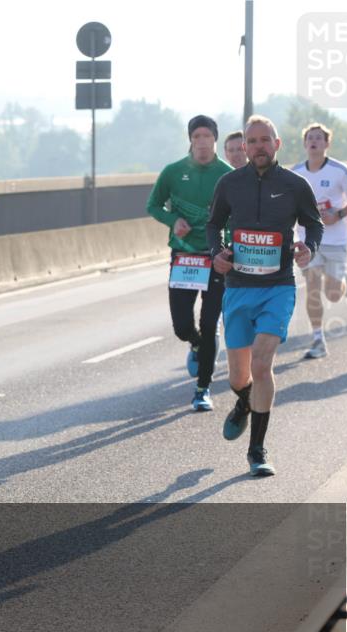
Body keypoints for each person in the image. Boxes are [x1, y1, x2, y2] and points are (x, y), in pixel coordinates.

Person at [207, 115, 323, 477]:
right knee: (239, 378)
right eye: (252, 141)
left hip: (278, 287)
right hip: (239, 288)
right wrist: (218, 254)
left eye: (264, 140)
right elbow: (213, 224)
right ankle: (245, 401)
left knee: (262, 364)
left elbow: (313, 222)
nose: (258, 146)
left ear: (277, 144)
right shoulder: (229, 183)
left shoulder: (294, 184)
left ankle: (257, 451)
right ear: (244, 147)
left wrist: (309, 248)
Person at [146, 114, 232, 411]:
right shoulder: (173, 172)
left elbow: (237, 216)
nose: (202, 142)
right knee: (182, 326)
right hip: (183, 257)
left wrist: (228, 248)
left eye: (207, 136)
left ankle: (202, 388)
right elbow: (153, 205)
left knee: (209, 323)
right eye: (197, 137)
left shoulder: (227, 174)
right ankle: (195, 343)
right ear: (190, 140)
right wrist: (173, 220)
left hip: (215, 258)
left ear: (215, 139)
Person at [291, 122, 347, 359]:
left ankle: (344, 281)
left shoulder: (340, 170)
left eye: (319, 138)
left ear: (327, 143)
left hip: (336, 238)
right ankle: (318, 339)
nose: (314, 141)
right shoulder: (296, 173)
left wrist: (338, 215)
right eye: (310, 138)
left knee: (332, 294)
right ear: (304, 143)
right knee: (312, 287)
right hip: (308, 239)